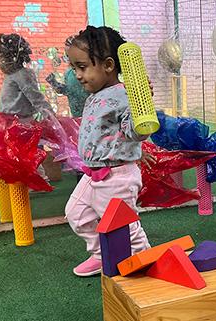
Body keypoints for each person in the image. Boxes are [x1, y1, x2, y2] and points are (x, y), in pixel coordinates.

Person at [64, 25, 152, 277]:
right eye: (74, 68)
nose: (77, 75)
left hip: (117, 176)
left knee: (125, 227)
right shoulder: (96, 95)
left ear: (108, 65)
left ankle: (144, 262)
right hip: (94, 173)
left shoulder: (125, 95)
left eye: (82, 67)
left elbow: (135, 132)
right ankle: (102, 254)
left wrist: (141, 105)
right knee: (77, 213)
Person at [0, 33, 53, 120]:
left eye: (0, 58)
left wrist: (52, 118)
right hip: (9, 120)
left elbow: (36, 98)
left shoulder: (22, 75)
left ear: (10, 57)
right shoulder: (12, 74)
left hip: (19, 122)